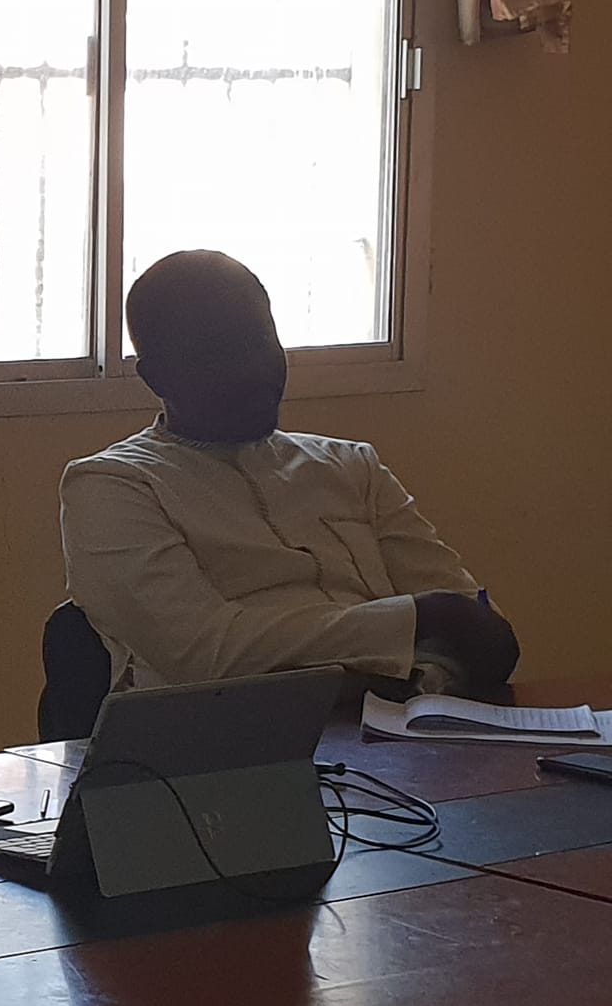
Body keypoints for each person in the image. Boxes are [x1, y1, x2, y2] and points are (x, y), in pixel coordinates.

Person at [60, 250, 518, 695]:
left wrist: (414, 648)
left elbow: (483, 632)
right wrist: (418, 623)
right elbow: (208, 656)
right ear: (156, 377)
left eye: (261, 341)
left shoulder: (353, 466)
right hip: (224, 743)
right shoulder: (112, 485)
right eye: (219, 352)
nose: (254, 369)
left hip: (407, 730)